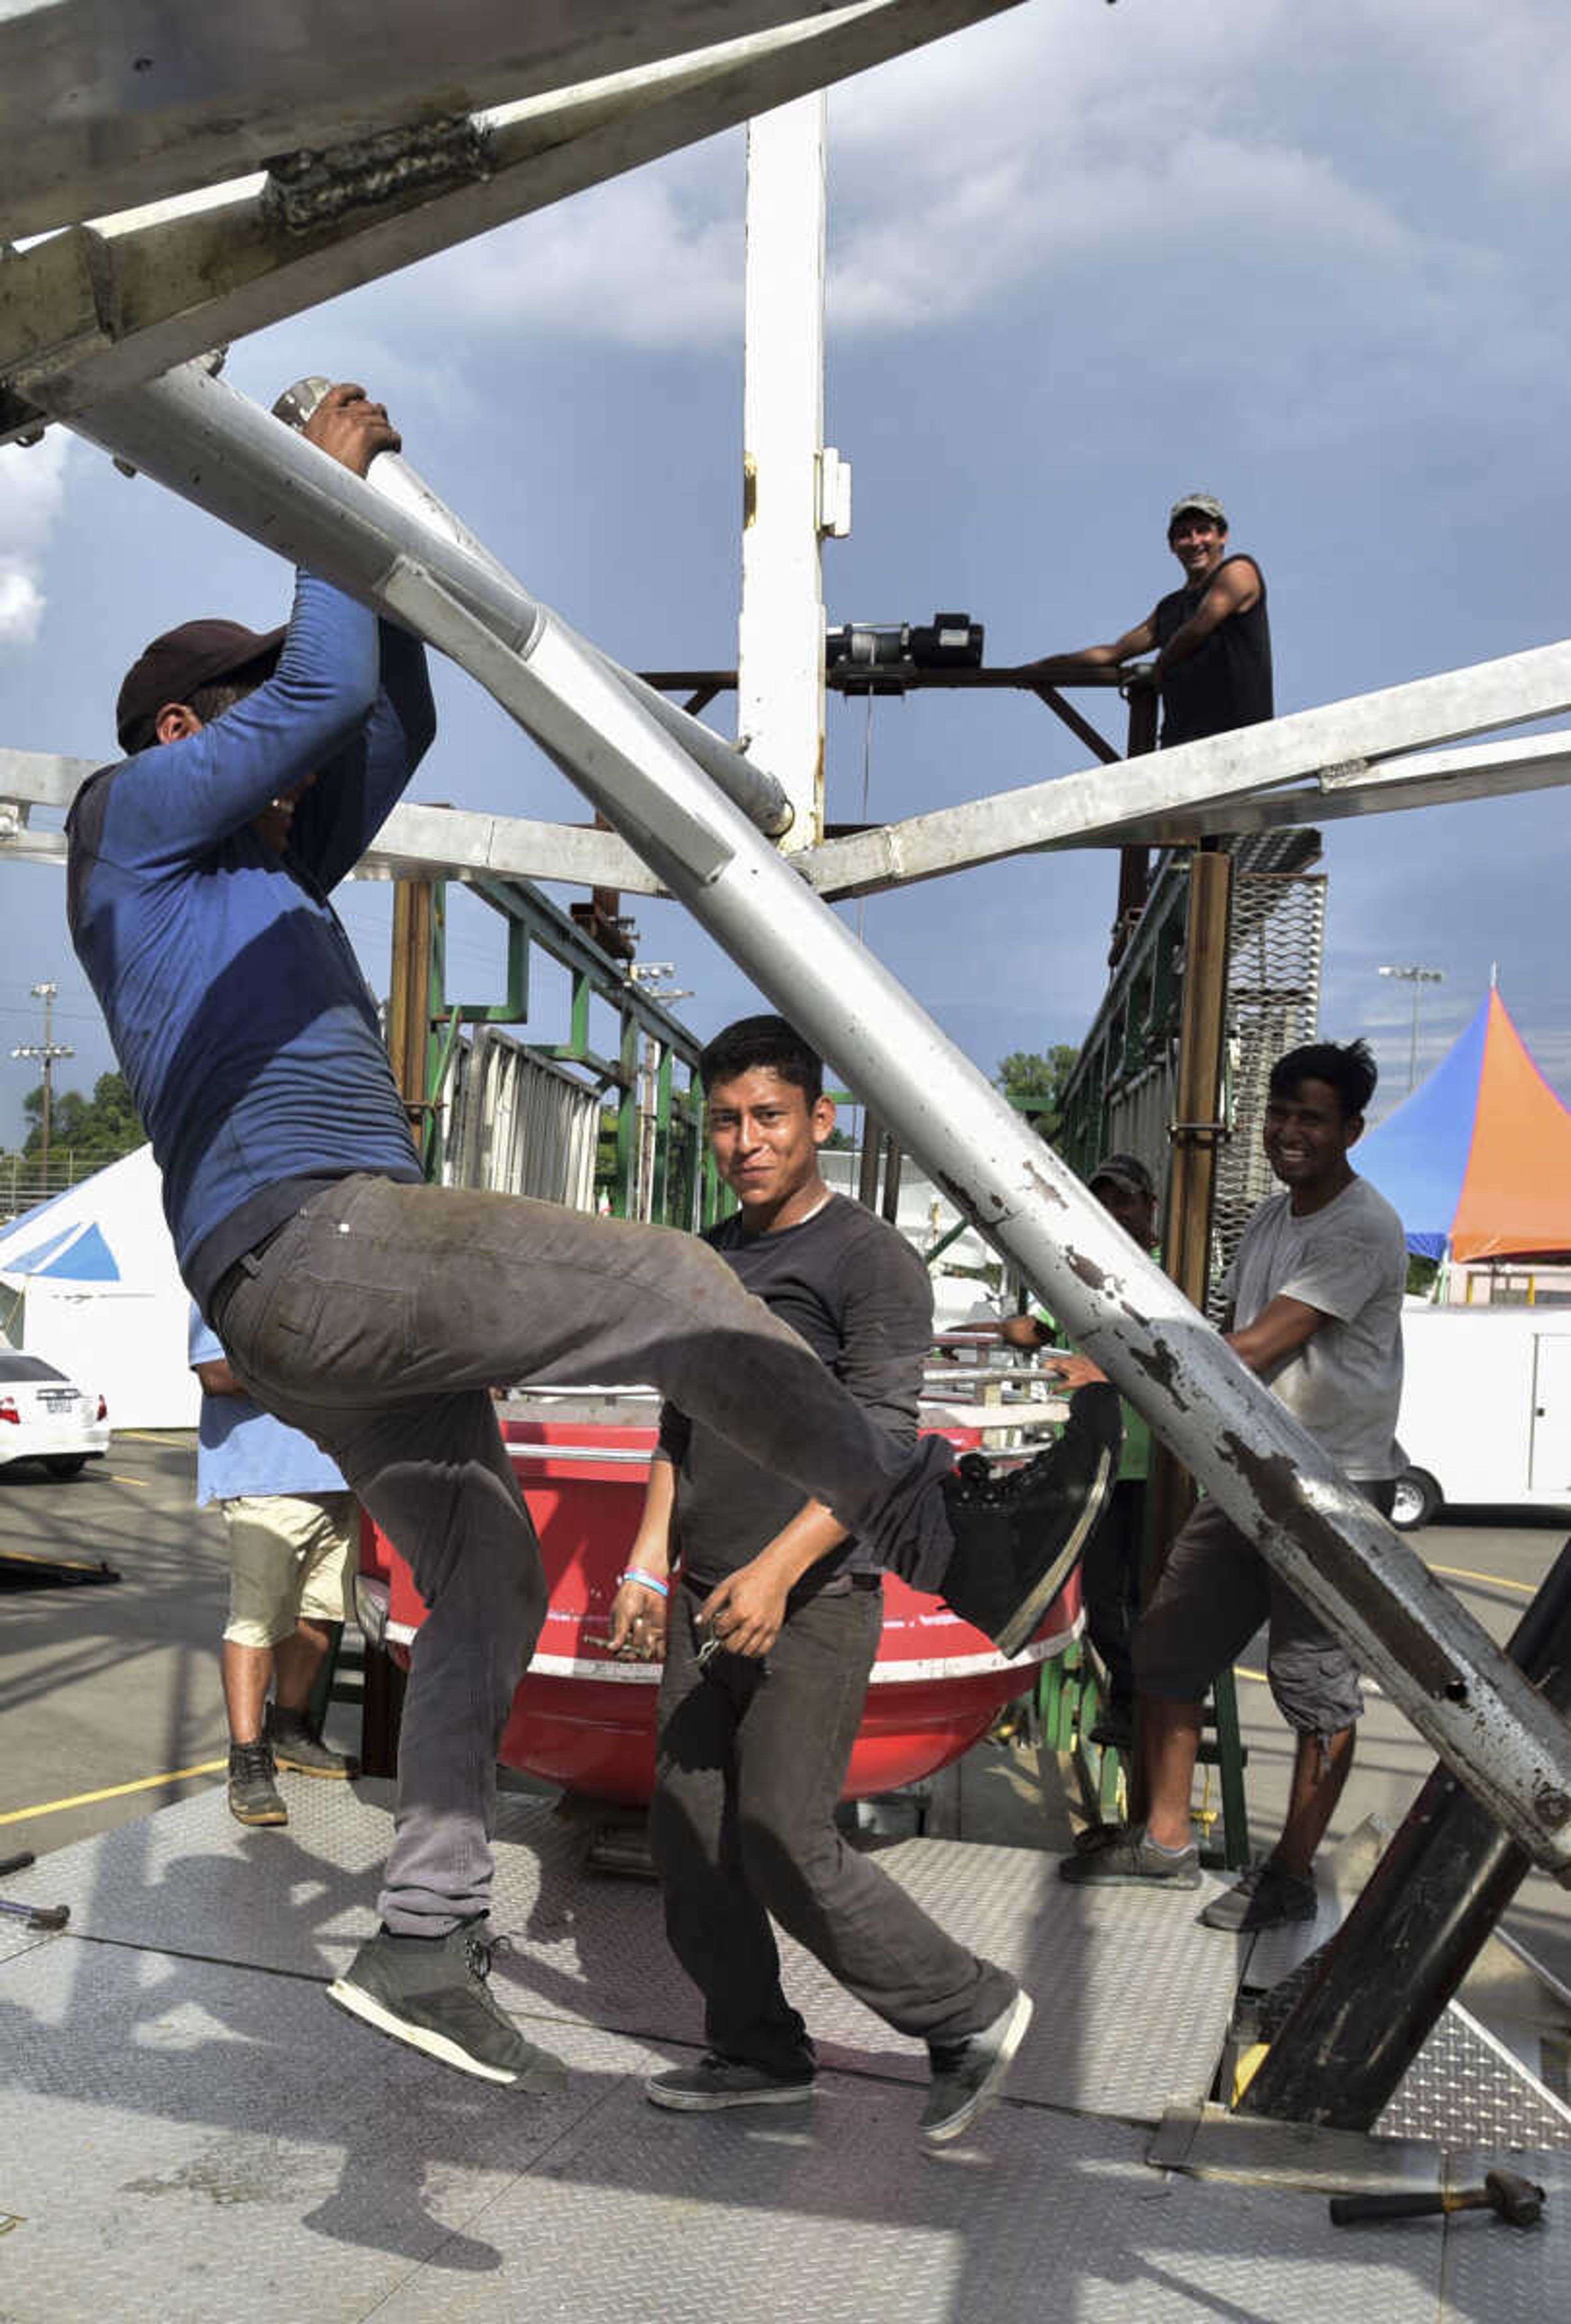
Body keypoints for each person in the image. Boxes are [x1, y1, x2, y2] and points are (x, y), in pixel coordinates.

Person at [66, 382, 1116, 2088]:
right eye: (256, 719)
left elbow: (387, 712)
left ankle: (424, 1936)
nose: (297, 760)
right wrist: (315, 498)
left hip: (317, 1296)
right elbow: (327, 681)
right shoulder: (139, 821)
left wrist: (384, 529)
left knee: (482, 1571)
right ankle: (924, 1528)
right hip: (317, 1239)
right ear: (191, 731)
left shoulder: (269, 862)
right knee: (675, 1277)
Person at [616, 1016, 1041, 2145]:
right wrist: (645, 1564)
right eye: (724, 1121)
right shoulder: (709, 1258)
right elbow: (681, 1424)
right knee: (686, 1831)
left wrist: (773, 1571)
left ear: (819, 1121)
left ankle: (972, 2009)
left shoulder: (870, 1262)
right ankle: (756, 2050)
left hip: (812, 1596)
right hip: (708, 1590)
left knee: (779, 1831)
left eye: (768, 1118)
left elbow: (882, 1444)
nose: (745, 1141)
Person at [1061, 1041, 1406, 1932]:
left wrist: (1116, 1363)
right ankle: (1168, 1841)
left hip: (1326, 1488)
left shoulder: (1360, 1228)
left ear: (1351, 1131)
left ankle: (1289, 1874)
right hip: (1249, 1474)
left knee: (1315, 1686)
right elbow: (1224, 1331)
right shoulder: (1269, 1220)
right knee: (1169, 1649)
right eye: (1281, 1114)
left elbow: (1260, 1347)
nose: (1290, 1132)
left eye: (1312, 1119)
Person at [1001, 1152, 1159, 1748]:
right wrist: (981, 1333)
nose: (1113, 1212)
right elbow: (1038, 1329)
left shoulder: (1172, 1277)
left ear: (1150, 1206)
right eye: (1101, 1201)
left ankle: (1145, 1706)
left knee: (1144, 1600)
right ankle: (1133, 1698)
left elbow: (1189, 1361)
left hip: (1154, 1469)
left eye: (1124, 1199)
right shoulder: (1081, 1275)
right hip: (1097, 1464)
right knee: (1096, 1595)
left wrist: (1105, 1374)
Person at [191, 1304, 359, 1827]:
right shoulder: (221, 1283)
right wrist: (325, 1372)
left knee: (319, 1618)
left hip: (342, 1478)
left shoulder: (330, 1284)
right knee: (256, 1621)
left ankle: (289, 1730)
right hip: (266, 1481)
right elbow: (216, 1374)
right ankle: (247, 1758)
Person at [1041, 492, 1272, 749]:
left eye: (1203, 531)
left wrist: (1158, 668)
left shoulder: (1240, 571)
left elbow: (1199, 628)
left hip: (1241, 742)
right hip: (1180, 746)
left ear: (1223, 536)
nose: (1195, 541)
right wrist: (1039, 669)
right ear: (1172, 546)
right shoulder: (1170, 609)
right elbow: (1112, 653)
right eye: (1184, 535)